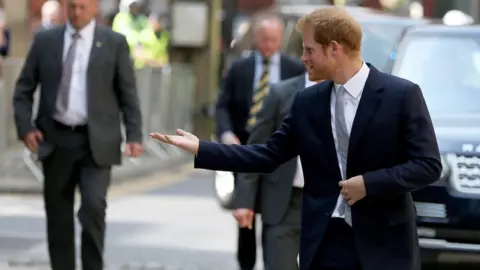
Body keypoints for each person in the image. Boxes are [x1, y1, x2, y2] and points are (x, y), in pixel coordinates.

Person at [151, 7, 442, 270]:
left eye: (309, 50)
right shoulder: (306, 101)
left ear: (334, 49)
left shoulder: (401, 95)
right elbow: (267, 155)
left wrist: (370, 184)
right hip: (326, 242)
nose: (302, 58)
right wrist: (202, 148)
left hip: (385, 244)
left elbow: (428, 164)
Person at [12, 0, 143, 269]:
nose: (77, 13)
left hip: (96, 141)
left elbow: (128, 93)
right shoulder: (46, 41)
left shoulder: (113, 42)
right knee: (58, 217)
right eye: (71, 6)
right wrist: (25, 127)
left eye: (83, 6)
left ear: (95, 7)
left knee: (93, 208)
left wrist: (134, 135)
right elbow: (24, 89)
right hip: (56, 139)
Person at [215, 13, 305, 270]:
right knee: (246, 210)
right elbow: (223, 105)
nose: (269, 45)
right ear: (256, 38)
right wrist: (226, 134)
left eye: (274, 39)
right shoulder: (239, 68)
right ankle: (246, 263)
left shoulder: (294, 69)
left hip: (279, 150)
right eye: (264, 39)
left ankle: (273, 257)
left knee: (274, 212)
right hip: (243, 147)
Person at [234, 72, 317, 270]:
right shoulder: (280, 92)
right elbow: (257, 148)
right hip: (284, 202)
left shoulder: (346, 94)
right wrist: (245, 201)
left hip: (327, 202)